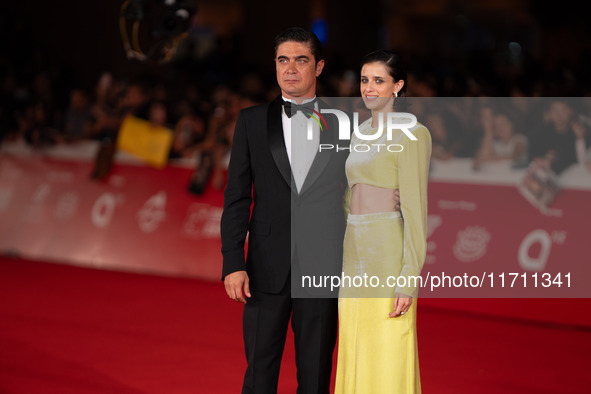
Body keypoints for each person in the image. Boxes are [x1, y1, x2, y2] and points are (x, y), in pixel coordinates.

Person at [220, 27, 349, 393]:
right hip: (265, 268)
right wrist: (233, 261)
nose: (290, 68)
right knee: (259, 374)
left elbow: (356, 191)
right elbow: (237, 197)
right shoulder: (250, 121)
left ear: (319, 66)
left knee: (315, 376)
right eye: (283, 60)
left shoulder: (344, 125)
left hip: (323, 269)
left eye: (301, 60)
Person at [335, 50, 431, 393]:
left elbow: (416, 210)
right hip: (353, 249)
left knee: (388, 341)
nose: (369, 88)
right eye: (364, 80)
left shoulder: (413, 134)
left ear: (398, 87)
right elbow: (350, 193)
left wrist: (409, 277)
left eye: (379, 81)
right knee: (354, 337)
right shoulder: (358, 131)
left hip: (386, 249)